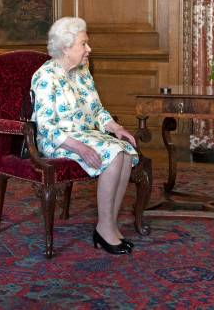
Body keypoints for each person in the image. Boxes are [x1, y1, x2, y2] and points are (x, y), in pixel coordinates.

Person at [31, 17, 139, 255]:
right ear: (66, 47)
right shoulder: (45, 77)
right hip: (58, 141)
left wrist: (115, 128)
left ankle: (109, 225)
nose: (89, 49)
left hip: (87, 135)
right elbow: (47, 127)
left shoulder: (82, 72)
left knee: (125, 152)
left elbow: (97, 110)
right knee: (114, 153)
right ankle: (105, 229)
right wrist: (80, 148)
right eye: (84, 44)